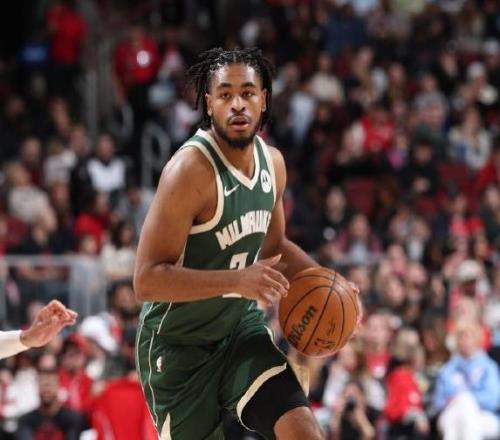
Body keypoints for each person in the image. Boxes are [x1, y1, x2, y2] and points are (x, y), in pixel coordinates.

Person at [134, 47, 361, 440]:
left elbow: (275, 247)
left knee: (305, 432)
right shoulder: (189, 171)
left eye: (248, 93)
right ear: (209, 103)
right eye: (225, 94)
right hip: (177, 349)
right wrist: (236, 281)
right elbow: (146, 280)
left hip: (239, 331)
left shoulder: (273, 164)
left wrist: (331, 285)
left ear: (264, 99)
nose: (237, 104)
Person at [0, 300, 77, 360]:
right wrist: (25, 339)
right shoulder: (24, 330)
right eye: (32, 316)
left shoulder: (55, 332)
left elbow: (57, 350)